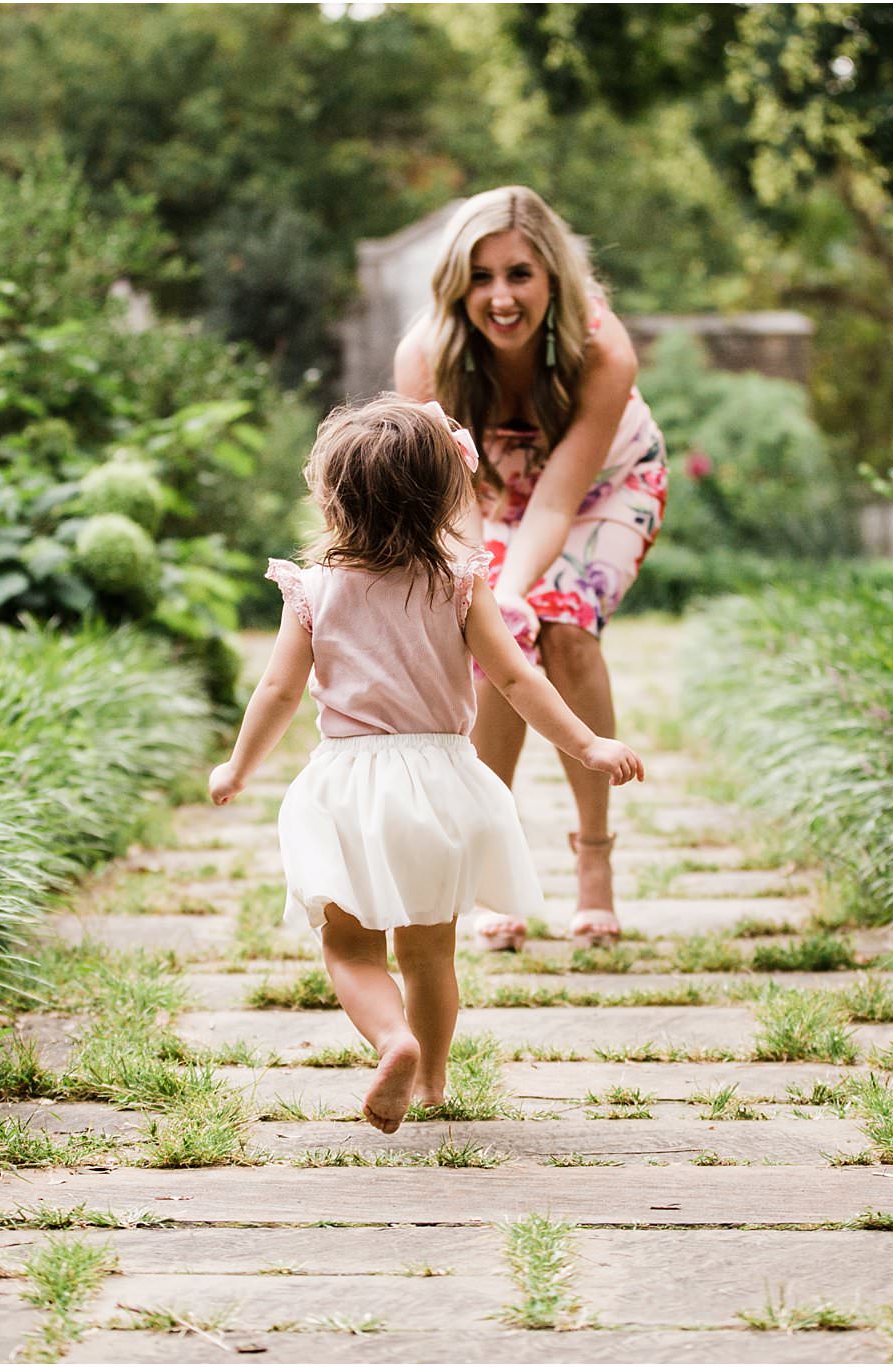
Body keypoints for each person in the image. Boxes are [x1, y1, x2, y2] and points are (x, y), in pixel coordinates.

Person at [209, 396, 644, 1133]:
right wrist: (587, 743)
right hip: (442, 787)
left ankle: (393, 1040)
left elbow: (279, 689)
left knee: (349, 946)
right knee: (431, 952)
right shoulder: (459, 580)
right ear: (447, 495)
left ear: (332, 497)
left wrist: (239, 765)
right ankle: (434, 1081)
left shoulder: (312, 590)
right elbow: (516, 678)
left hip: (348, 789)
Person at [394, 186, 668, 955]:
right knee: (499, 638)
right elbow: (459, 496)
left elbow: (557, 498)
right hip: (483, 494)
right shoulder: (424, 356)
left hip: (605, 486)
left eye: (519, 274)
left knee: (561, 625)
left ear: (552, 275)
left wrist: (512, 594)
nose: (500, 296)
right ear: (457, 283)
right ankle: (494, 865)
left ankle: (594, 861)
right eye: (480, 277)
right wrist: (491, 597)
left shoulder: (602, 348)